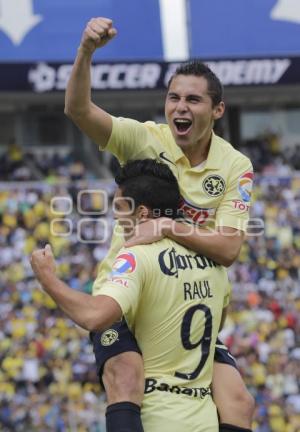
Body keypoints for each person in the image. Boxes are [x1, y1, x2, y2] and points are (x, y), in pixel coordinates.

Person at [64, 17, 255, 432]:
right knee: (126, 377)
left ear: (217, 110)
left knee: (239, 403)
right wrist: (85, 52)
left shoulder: (236, 166)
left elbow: (228, 249)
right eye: (173, 98)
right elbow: (78, 110)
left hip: (183, 301)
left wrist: (168, 227)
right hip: (128, 291)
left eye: (193, 100)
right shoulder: (143, 138)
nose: (180, 108)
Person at [31, 159, 231, 432]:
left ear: (144, 213)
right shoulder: (216, 266)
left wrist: (48, 280)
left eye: (121, 208)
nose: (116, 217)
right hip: (204, 419)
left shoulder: (137, 255)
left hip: (156, 417)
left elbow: (96, 316)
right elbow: (218, 324)